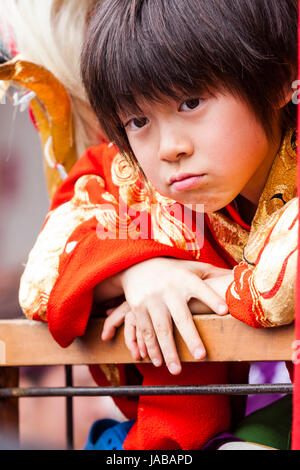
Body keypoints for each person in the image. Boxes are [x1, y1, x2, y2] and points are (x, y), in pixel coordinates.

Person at [13, 0, 298, 450]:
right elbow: (41, 278)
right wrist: (139, 273)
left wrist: (199, 287)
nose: (168, 148)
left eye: (191, 101)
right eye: (138, 120)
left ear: (281, 78)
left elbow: (283, 287)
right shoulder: (130, 172)